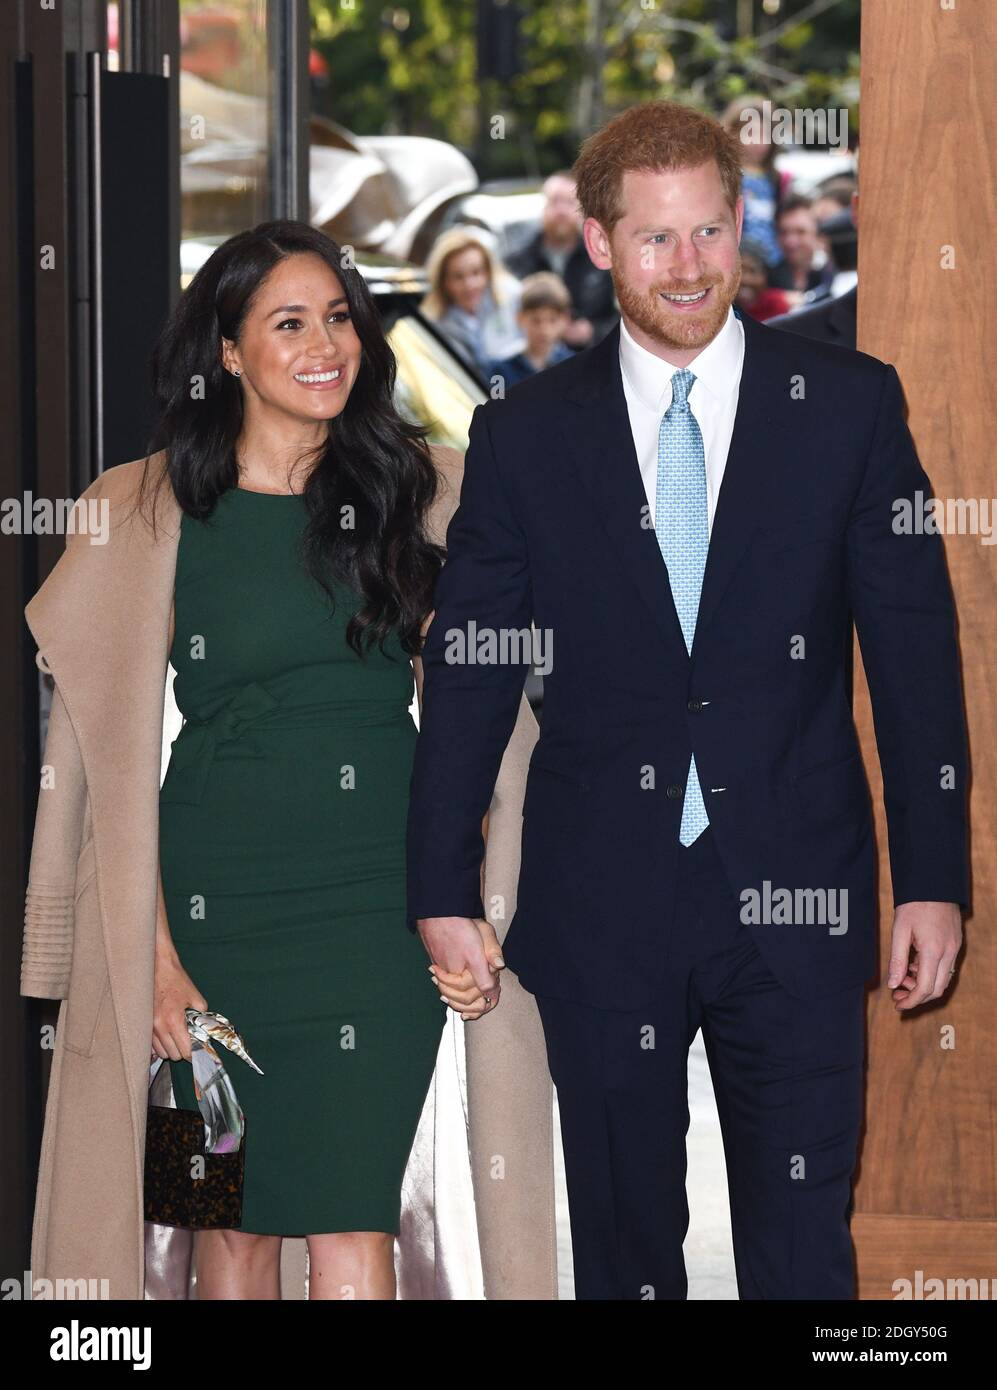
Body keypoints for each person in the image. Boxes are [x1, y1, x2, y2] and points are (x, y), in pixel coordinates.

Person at [406, 100, 969, 1301]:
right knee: (624, 1253)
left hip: (800, 892)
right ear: (600, 244)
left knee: (803, 1252)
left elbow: (915, 656)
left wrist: (932, 878)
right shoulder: (523, 440)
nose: (689, 268)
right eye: (656, 239)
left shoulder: (851, 408)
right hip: (602, 895)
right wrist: (441, 887)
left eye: (709, 233)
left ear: (738, 230)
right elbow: (472, 668)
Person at [19, 219, 551, 1301]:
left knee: (359, 1222)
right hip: (210, 917)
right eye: (289, 322)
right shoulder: (144, 509)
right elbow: (106, 769)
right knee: (226, 1224)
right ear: (226, 350)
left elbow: (481, 712)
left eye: (340, 318)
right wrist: (154, 958)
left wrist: (470, 884)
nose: (326, 344)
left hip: (377, 914)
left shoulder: (426, 490)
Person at [507, 170, 618, 351]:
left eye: (569, 202)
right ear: (543, 207)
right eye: (554, 201)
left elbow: (623, 318)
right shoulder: (517, 262)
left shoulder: (603, 259)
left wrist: (592, 331)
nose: (561, 211)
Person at [420, 227, 524, 379]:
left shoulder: (512, 297)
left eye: (476, 272)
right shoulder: (433, 326)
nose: (469, 285)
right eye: (458, 276)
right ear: (444, 282)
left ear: (488, 272)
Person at [488, 272, 574, 390]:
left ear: (565, 319)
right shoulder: (500, 370)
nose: (544, 330)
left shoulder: (574, 367)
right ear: (520, 318)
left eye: (552, 320)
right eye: (536, 320)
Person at [768, 193, 825, 296]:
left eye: (800, 232)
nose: (790, 242)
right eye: (783, 232)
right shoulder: (765, 281)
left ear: (818, 235)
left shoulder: (830, 277)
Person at [733, 239, 792, 322]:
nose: (745, 280)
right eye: (739, 271)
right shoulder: (719, 306)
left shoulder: (774, 304)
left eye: (753, 271)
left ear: (765, 276)